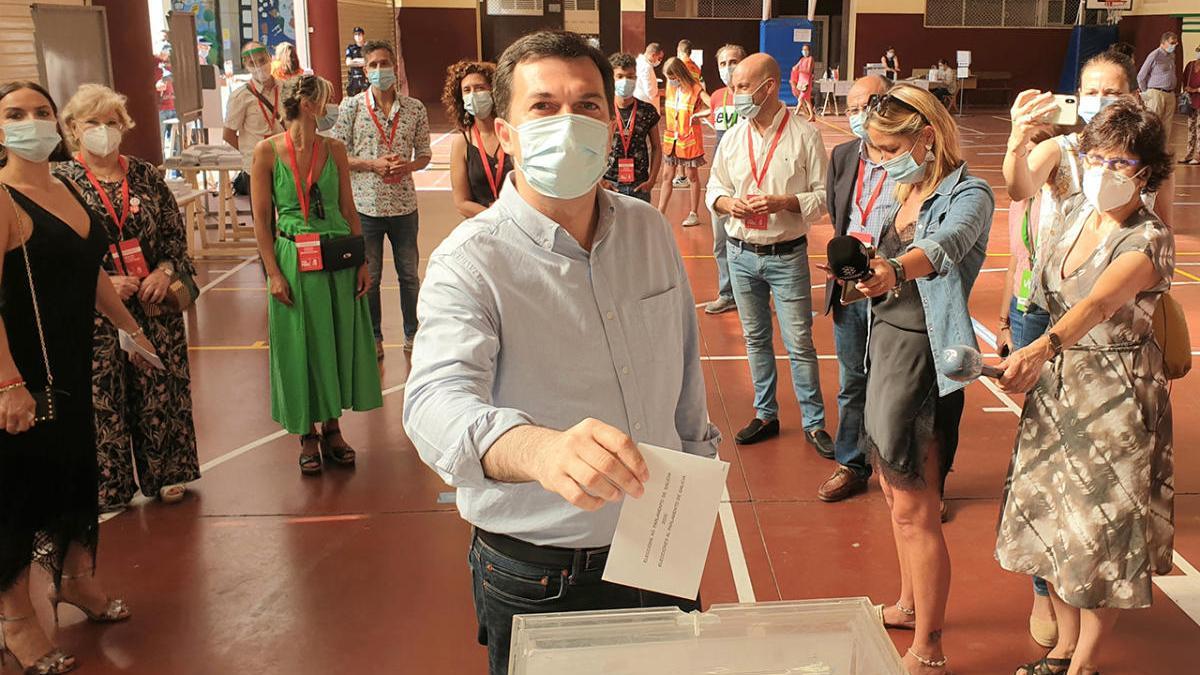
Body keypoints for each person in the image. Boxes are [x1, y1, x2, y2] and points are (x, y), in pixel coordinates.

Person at [403, 30, 719, 675]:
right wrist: (539, 450)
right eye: (543, 106)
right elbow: (434, 402)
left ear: (612, 121)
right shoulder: (472, 260)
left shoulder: (648, 230)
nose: (569, 123)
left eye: (589, 105)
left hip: (663, 541)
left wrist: (696, 470)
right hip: (544, 572)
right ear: (504, 132)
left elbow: (685, 374)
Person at [996, 100, 1175, 675]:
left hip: (1116, 400)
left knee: (1101, 534)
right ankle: (1065, 647)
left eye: (1120, 162)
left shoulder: (1149, 239)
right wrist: (1019, 139)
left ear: (1145, 172)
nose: (1104, 171)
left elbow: (1099, 303)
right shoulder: (1071, 210)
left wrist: (1041, 347)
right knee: (1055, 521)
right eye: (1096, 157)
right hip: (1059, 391)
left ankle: (1084, 666)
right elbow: (1020, 182)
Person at [0, 80, 159, 675]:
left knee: (72, 474)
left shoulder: (66, 185)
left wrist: (130, 330)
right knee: (18, 493)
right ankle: (16, 621)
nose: (32, 123)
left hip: (69, 364)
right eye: (16, 114)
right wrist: (8, 384)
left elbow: (89, 268)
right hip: (21, 373)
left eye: (41, 111)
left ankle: (73, 581)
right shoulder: (2, 198)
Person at [1002, 48, 1141, 649]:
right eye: (1091, 93)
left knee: (1091, 478)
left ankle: (1082, 618)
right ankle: (1044, 590)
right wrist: (1015, 136)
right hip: (1042, 306)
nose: (1100, 104)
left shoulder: (1139, 159)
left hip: (1106, 326)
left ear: (1132, 98)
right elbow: (1016, 186)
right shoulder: (1061, 148)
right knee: (1040, 467)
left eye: (1112, 94)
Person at [854, 83, 994, 675]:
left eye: (889, 148)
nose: (880, 160)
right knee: (893, 492)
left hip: (925, 359)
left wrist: (889, 268)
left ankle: (929, 647)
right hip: (883, 347)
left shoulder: (971, 195)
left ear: (926, 137)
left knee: (918, 505)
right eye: (876, 150)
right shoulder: (902, 185)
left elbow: (943, 248)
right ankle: (910, 603)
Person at [55, 84, 201, 509]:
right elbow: (56, 253)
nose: (104, 130)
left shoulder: (145, 175)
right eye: (94, 123)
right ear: (74, 129)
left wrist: (164, 270)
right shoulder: (62, 182)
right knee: (103, 396)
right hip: (97, 311)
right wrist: (98, 280)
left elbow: (175, 240)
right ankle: (110, 485)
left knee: (162, 388)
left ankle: (169, 471)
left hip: (154, 305)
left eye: (112, 122)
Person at [250, 74, 382, 475]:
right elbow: (261, 220)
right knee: (299, 344)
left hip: (336, 257)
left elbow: (348, 208)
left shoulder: (335, 149)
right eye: (326, 98)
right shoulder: (267, 152)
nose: (331, 103)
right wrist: (273, 272)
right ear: (308, 104)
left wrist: (362, 261)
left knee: (336, 340)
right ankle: (306, 432)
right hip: (294, 256)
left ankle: (332, 428)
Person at [706, 53, 832, 456]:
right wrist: (728, 205)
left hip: (786, 254)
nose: (736, 94)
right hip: (740, 254)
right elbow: (714, 189)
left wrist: (785, 202)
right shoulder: (732, 138)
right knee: (755, 338)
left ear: (768, 86)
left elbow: (823, 196)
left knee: (799, 342)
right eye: (734, 86)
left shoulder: (803, 136)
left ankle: (814, 423)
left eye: (743, 87)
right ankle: (766, 413)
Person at [819, 74, 893, 503]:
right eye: (851, 108)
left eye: (867, 105)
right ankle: (851, 462)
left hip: (897, 288)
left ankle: (905, 470)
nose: (858, 116)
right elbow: (838, 212)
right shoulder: (844, 155)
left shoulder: (911, 159)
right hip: (849, 287)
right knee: (852, 381)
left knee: (899, 385)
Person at [332, 40, 431, 359]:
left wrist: (410, 165)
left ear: (395, 67)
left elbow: (425, 154)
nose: (379, 70)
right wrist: (370, 164)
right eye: (373, 65)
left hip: (404, 206)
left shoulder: (415, 108)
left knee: (409, 276)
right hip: (366, 207)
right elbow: (337, 153)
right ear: (365, 69)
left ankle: (412, 334)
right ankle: (373, 336)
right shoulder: (351, 107)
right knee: (370, 279)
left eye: (384, 64)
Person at [702, 43, 746, 315]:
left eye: (734, 61)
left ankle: (752, 295)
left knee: (747, 242)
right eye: (722, 63)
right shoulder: (717, 97)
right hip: (720, 182)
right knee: (720, 242)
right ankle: (727, 293)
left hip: (747, 179)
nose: (728, 68)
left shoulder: (752, 97)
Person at [445, 60, 513, 217]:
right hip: (483, 226)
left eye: (480, 88)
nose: (473, 95)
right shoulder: (462, 143)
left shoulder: (512, 134)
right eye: (467, 90)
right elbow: (461, 203)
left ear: (494, 91)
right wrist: (496, 216)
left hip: (520, 223)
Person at [223, 42, 284, 190]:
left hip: (285, 163)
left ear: (270, 58)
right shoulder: (240, 96)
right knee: (262, 213)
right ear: (246, 65)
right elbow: (228, 134)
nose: (258, 67)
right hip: (256, 168)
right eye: (252, 63)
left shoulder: (286, 88)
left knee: (290, 211)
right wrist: (249, 152)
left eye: (262, 60)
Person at [603, 52, 661, 203]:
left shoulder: (647, 111)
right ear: (611, 79)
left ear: (636, 78)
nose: (625, 81)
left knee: (639, 226)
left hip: (639, 184)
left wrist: (652, 180)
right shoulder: (603, 109)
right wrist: (600, 181)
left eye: (630, 76)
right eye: (620, 76)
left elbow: (656, 147)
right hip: (610, 184)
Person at [657, 56, 708, 227]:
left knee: (692, 176)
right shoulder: (671, 89)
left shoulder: (695, 89)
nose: (670, 81)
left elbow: (712, 105)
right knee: (667, 176)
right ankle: (660, 213)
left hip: (689, 141)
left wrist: (698, 115)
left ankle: (693, 213)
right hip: (672, 139)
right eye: (668, 78)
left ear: (679, 75)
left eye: (672, 78)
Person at [1137, 32, 1179, 134]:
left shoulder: (1172, 56)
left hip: (1170, 94)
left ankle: (1163, 149)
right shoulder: (1154, 55)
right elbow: (1141, 76)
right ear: (1163, 42)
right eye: (1172, 43)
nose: (1174, 45)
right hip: (1156, 93)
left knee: (1167, 126)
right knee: (1153, 124)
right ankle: (1150, 149)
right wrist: (1146, 93)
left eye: (1176, 43)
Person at [1180, 45, 1200, 165]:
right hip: (1191, 102)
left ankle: (1198, 155)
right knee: (1190, 128)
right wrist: (1187, 89)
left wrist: (1194, 90)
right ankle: (1188, 154)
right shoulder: (1190, 65)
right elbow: (1184, 79)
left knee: (1199, 129)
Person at [635, 42, 664, 112]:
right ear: (653, 55)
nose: (659, 61)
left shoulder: (638, 62)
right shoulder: (646, 67)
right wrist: (663, 92)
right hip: (646, 105)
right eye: (659, 58)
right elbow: (650, 92)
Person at [790, 44, 816, 122]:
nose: (804, 51)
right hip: (801, 81)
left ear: (809, 51)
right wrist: (795, 69)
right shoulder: (802, 60)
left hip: (806, 81)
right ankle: (812, 116)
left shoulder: (810, 59)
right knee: (807, 100)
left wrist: (800, 70)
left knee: (801, 98)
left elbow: (808, 70)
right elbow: (795, 67)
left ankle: (795, 114)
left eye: (806, 50)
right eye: (803, 50)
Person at [345, 27, 368, 97]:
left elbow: (368, 61)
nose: (358, 37)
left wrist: (355, 60)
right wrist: (361, 61)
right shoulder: (351, 48)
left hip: (365, 78)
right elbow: (348, 63)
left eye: (359, 34)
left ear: (363, 35)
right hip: (354, 78)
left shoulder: (367, 47)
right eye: (356, 35)